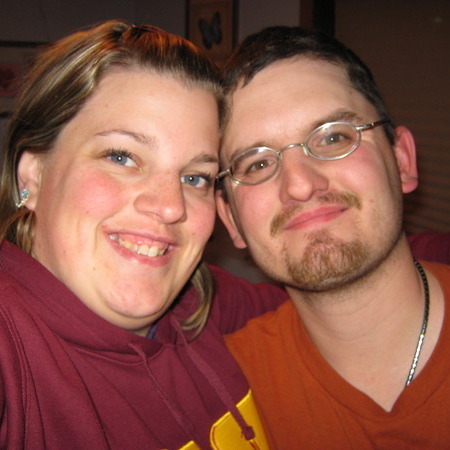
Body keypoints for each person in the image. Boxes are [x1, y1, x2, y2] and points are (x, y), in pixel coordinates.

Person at [0, 20, 288, 448]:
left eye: (194, 177)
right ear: (33, 176)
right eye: (122, 157)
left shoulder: (203, 302)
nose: (170, 206)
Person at [216, 26, 450, 448]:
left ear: (402, 161)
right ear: (231, 220)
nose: (300, 185)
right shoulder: (225, 398)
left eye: (333, 137)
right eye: (256, 164)